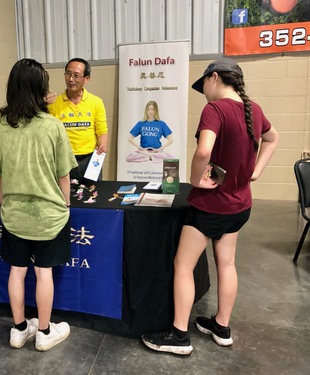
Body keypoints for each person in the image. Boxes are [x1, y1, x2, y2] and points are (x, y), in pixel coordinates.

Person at [141, 58, 279, 355]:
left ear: (214, 77)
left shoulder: (214, 110)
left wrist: (193, 179)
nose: (202, 91)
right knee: (226, 263)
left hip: (211, 206)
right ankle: (221, 326)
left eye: (203, 84)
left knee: (183, 265)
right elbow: (272, 138)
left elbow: (204, 149)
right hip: (240, 205)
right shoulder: (252, 109)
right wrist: (255, 171)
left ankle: (178, 335)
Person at [0, 59, 77, 351]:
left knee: (17, 270)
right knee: (43, 272)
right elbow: (65, 176)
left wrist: (6, 205)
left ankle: (19, 328)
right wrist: (66, 205)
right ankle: (45, 332)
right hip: (50, 216)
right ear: (41, 88)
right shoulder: (52, 126)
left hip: (14, 215)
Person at [48, 57, 108, 180]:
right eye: (68, 74)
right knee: (67, 196)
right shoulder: (54, 103)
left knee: (94, 194)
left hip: (90, 159)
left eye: (76, 75)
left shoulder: (96, 102)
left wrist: (102, 144)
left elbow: (102, 130)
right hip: (65, 160)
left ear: (86, 79)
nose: (71, 79)